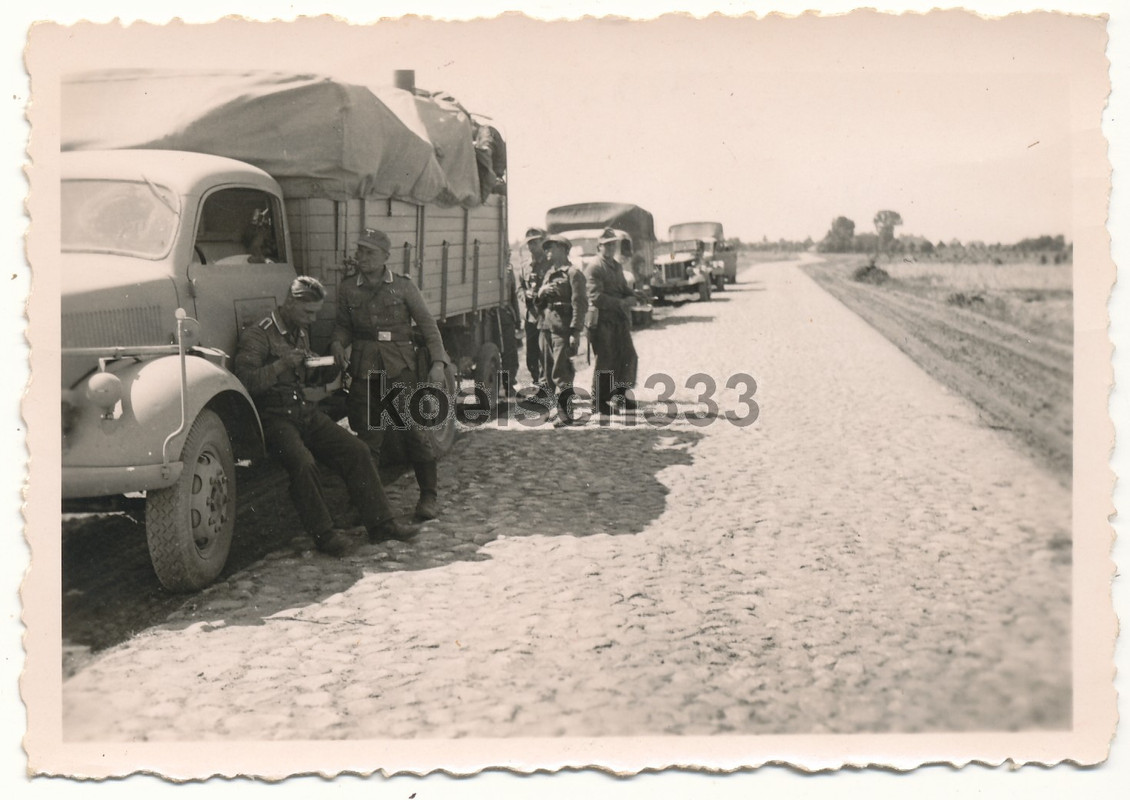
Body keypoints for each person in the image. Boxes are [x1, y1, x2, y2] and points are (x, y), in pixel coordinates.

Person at [233, 276, 418, 556]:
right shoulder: (258, 335)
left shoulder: (299, 331)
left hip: (303, 411)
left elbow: (307, 377)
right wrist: (282, 364)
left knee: (357, 450)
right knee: (304, 463)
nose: (312, 319)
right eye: (308, 312)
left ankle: (382, 524)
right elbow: (244, 381)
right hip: (273, 418)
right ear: (291, 302)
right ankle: (325, 535)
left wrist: (330, 366)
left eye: (315, 313)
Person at [330, 228, 451, 522]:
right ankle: (366, 504)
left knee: (412, 431)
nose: (362, 257)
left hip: (398, 370)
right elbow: (343, 325)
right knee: (368, 438)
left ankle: (428, 496)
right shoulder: (348, 288)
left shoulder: (403, 286)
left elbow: (428, 326)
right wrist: (337, 342)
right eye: (360, 251)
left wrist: (438, 363)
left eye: (369, 252)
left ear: (385, 256)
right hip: (364, 370)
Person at [584, 228, 640, 415]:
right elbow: (595, 296)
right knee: (606, 360)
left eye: (613, 244)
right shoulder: (595, 267)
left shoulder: (616, 266)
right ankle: (598, 401)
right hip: (602, 321)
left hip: (618, 319)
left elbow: (623, 287)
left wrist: (633, 295)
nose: (610, 248)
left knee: (628, 356)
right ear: (599, 246)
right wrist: (621, 303)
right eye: (606, 245)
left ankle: (621, 395)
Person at [535, 234, 588, 424]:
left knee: (561, 370)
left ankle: (565, 413)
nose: (547, 251)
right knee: (546, 370)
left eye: (552, 247)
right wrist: (540, 293)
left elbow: (580, 305)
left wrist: (575, 332)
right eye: (546, 248)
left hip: (562, 329)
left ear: (564, 250)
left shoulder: (573, 274)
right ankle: (551, 409)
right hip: (546, 327)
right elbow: (539, 304)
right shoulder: (549, 273)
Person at [516, 227, 551, 386]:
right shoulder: (525, 266)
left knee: (546, 352)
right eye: (529, 243)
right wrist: (525, 295)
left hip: (547, 314)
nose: (531, 247)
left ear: (543, 242)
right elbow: (519, 288)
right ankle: (536, 381)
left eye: (535, 243)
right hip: (531, 316)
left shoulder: (551, 264)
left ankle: (545, 385)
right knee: (531, 353)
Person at [498, 256, 522, 397]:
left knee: (510, 353)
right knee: (508, 353)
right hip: (497, 315)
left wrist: (517, 320)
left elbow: (513, 297)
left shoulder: (509, 269)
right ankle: (504, 386)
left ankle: (508, 385)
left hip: (507, 315)